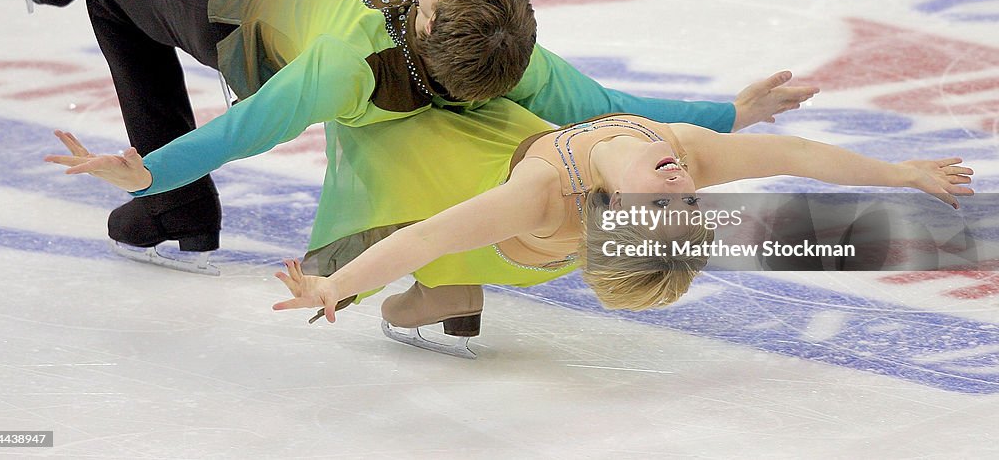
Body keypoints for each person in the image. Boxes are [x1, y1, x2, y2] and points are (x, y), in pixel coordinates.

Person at [8, 0, 817, 267]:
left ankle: (173, 205)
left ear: (425, 22)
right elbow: (615, 105)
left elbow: (243, 129)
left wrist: (148, 172)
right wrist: (736, 112)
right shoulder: (515, 60)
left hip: (233, 12)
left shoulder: (345, 66)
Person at [269, 99, 973, 356]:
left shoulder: (542, 196)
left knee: (417, 248)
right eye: (689, 208)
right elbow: (795, 154)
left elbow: (427, 236)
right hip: (510, 150)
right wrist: (903, 172)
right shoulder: (683, 157)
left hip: (512, 236)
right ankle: (454, 297)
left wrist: (336, 283)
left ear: (610, 210)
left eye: (662, 207)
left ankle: (448, 295)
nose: (681, 191)